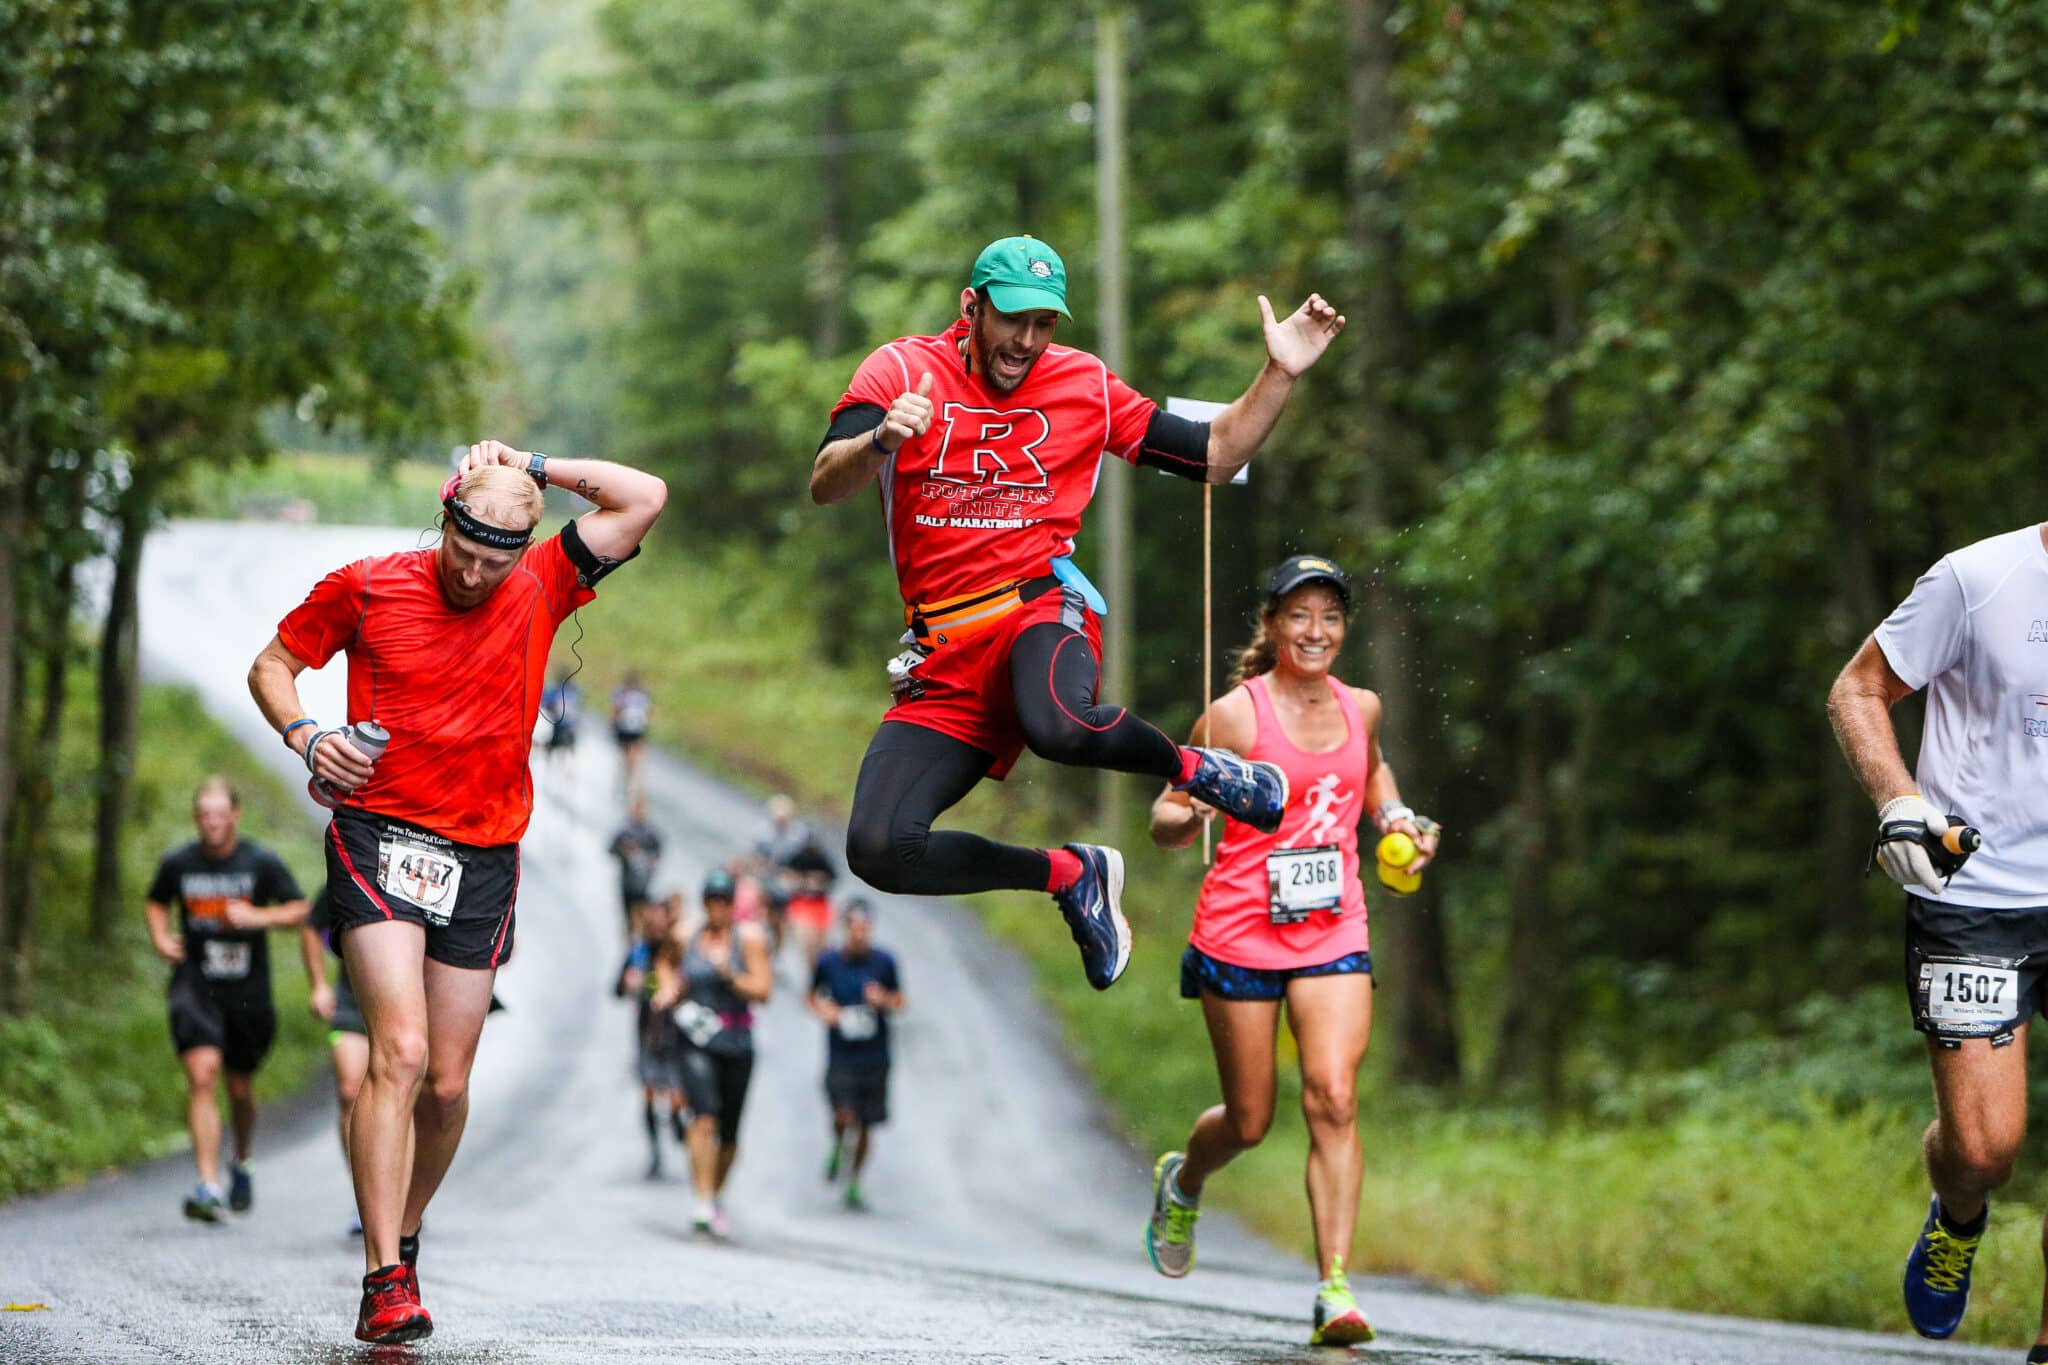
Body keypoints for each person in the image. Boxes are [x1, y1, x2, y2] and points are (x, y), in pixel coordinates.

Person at [811, 234, 1345, 992]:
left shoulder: (1083, 385)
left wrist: (1279, 374)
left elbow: (1216, 453)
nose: (1026, 341)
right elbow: (826, 481)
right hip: (945, 654)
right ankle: (1072, 873)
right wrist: (879, 438)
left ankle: (1203, 772)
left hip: (1039, 608)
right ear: (972, 307)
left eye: (1045, 324)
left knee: (1058, 721)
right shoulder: (899, 370)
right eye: (1013, 319)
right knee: (877, 847)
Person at [247, 439, 664, 1344]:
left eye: (494, 558)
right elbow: (271, 666)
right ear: (444, 518)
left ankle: (402, 1225)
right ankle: (383, 1276)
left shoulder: (547, 581)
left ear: (522, 549)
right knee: (394, 1051)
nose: (474, 572)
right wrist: (308, 737)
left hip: (483, 852)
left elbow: (644, 496)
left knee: (445, 1082)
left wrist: (539, 465)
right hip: (378, 833)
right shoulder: (366, 583)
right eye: (464, 549)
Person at [1141, 556, 1439, 1348]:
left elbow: (1371, 773)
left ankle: (1334, 1286)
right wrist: (1196, 808)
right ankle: (1187, 1176)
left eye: (1331, 617)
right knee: (1249, 1119)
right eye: (1300, 616)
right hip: (1239, 932)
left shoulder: (1362, 706)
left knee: (1334, 1096)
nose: (1316, 631)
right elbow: (1164, 819)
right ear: (1272, 624)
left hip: (1333, 925)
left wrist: (1399, 818)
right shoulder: (1233, 717)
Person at [1827, 520, 2048, 1354]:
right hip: (1975, 891)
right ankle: (1958, 1213)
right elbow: (1858, 689)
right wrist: (1897, 799)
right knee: (1986, 1148)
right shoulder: (1977, 577)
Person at [144, 777, 309, 1223]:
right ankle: (207, 1184)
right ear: (197, 817)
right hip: (195, 984)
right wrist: (161, 938)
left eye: (220, 813)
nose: (212, 821)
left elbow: (300, 909)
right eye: (204, 814)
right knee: (203, 1073)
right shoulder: (179, 862)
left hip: (247, 991)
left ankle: (241, 1159)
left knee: (239, 1087)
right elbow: (156, 900)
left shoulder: (260, 862)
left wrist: (259, 916)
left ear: (235, 814)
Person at [653, 868, 773, 1236]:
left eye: (724, 902)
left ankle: (715, 1194)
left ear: (732, 905)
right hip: (696, 1039)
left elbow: (764, 990)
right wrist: (670, 987)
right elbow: (664, 962)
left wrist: (730, 975)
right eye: (712, 901)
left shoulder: (748, 940)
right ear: (705, 903)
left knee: (729, 1134)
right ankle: (702, 1199)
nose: (717, 908)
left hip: (735, 1040)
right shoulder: (687, 935)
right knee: (703, 1118)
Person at [808, 898, 903, 1210]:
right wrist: (826, 1011)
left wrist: (883, 1000)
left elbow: (900, 1001)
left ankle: (854, 1181)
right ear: (846, 928)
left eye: (865, 927)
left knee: (866, 1123)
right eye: (855, 927)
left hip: (875, 1055)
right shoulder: (829, 961)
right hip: (842, 1053)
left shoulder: (884, 962)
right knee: (843, 1115)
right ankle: (837, 1144)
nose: (860, 933)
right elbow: (811, 995)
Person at [299, 885, 370, 1234]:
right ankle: (366, 1196)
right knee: (349, 1091)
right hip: (351, 1000)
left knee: (408, 1096)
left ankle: (405, 1194)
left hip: (411, 1001)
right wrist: (318, 985)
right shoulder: (354, 862)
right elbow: (313, 926)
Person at [616, 893, 687, 1179]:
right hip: (647, 1032)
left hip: (677, 1031)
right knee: (647, 1093)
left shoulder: (678, 951)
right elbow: (617, 989)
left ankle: (677, 1122)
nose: (656, 923)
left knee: (676, 1095)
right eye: (652, 917)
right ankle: (656, 1152)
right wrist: (628, 982)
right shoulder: (638, 951)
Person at [609, 799, 665, 931]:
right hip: (627, 885)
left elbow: (659, 853)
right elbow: (611, 849)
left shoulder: (651, 833)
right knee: (629, 921)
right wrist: (624, 851)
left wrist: (648, 860)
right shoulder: (625, 831)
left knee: (641, 920)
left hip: (643, 886)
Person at [611, 672, 653, 802]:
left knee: (626, 755)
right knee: (632, 755)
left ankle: (626, 779)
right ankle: (630, 780)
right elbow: (648, 712)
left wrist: (613, 723)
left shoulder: (622, 694)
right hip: (636, 728)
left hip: (625, 728)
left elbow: (616, 710)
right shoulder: (643, 695)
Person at [540, 668, 581, 780]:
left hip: (560, 728)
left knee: (551, 750)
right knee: (567, 753)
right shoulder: (574, 692)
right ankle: (567, 776)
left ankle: (549, 775)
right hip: (570, 729)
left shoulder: (556, 691)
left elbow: (547, 704)